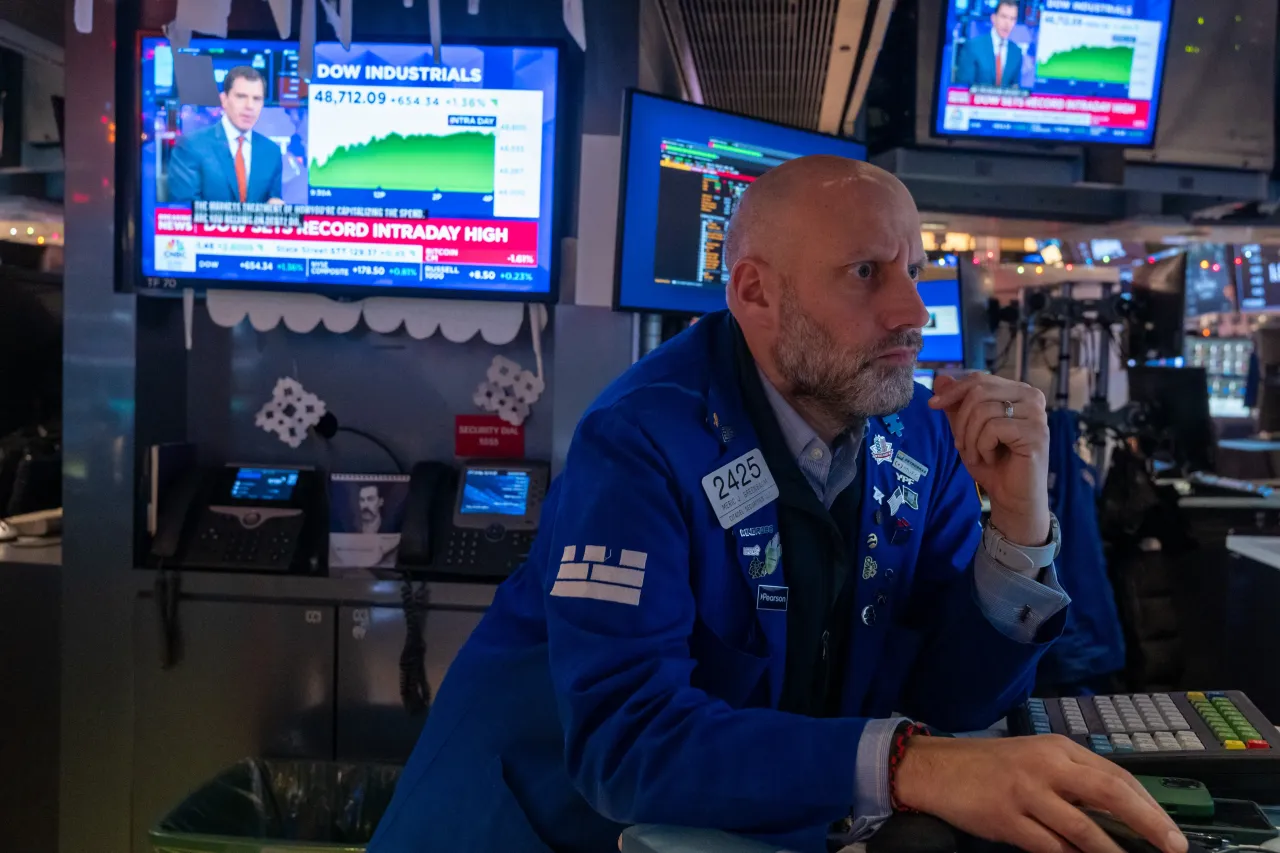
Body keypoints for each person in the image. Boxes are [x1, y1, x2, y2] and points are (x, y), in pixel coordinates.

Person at [368, 156, 1186, 853]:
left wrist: (1017, 527)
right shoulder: (639, 441)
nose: (913, 310)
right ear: (756, 293)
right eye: (867, 272)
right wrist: (907, 763)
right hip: (533, 828)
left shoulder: (917, 433)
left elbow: (951, 700)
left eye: (914, 268)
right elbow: (628, 742)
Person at [167, 65, 284, 204]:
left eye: (257, 99)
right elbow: (185, 210)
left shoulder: (272, 152)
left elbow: (273, 202)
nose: (250, 106)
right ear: (224, 99)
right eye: (241, 97)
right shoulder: (191, 146)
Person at [954, 0, 1023, 88]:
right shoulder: (973, 46)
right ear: (993, 18)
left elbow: (1016, 90)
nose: (1007, 23)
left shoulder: (1016, 53)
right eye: (1004, 17)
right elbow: (962, 88)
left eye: (1012, 19)